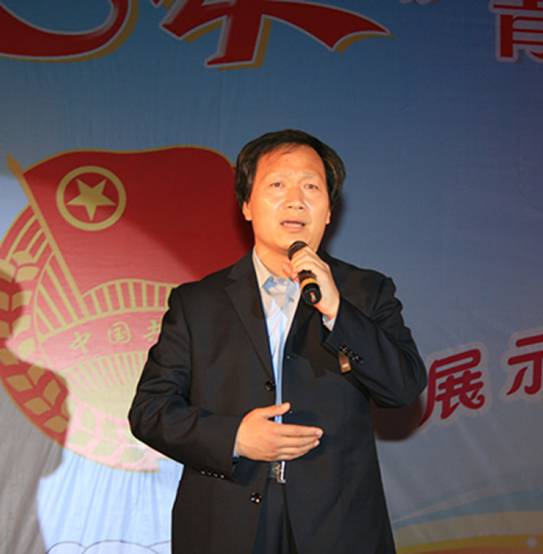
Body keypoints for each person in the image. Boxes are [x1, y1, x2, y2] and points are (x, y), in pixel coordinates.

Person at [128, 129, 427, 554]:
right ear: (247, 205)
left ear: (329, 211)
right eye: (277, 185)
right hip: (226, 523)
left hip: (338, 526)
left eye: (311, 187)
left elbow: (403, 388)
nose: (295, 200)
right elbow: (151, 411)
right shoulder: (198, 303)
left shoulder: (366, 292)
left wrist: (337, 311)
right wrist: (234, 437)